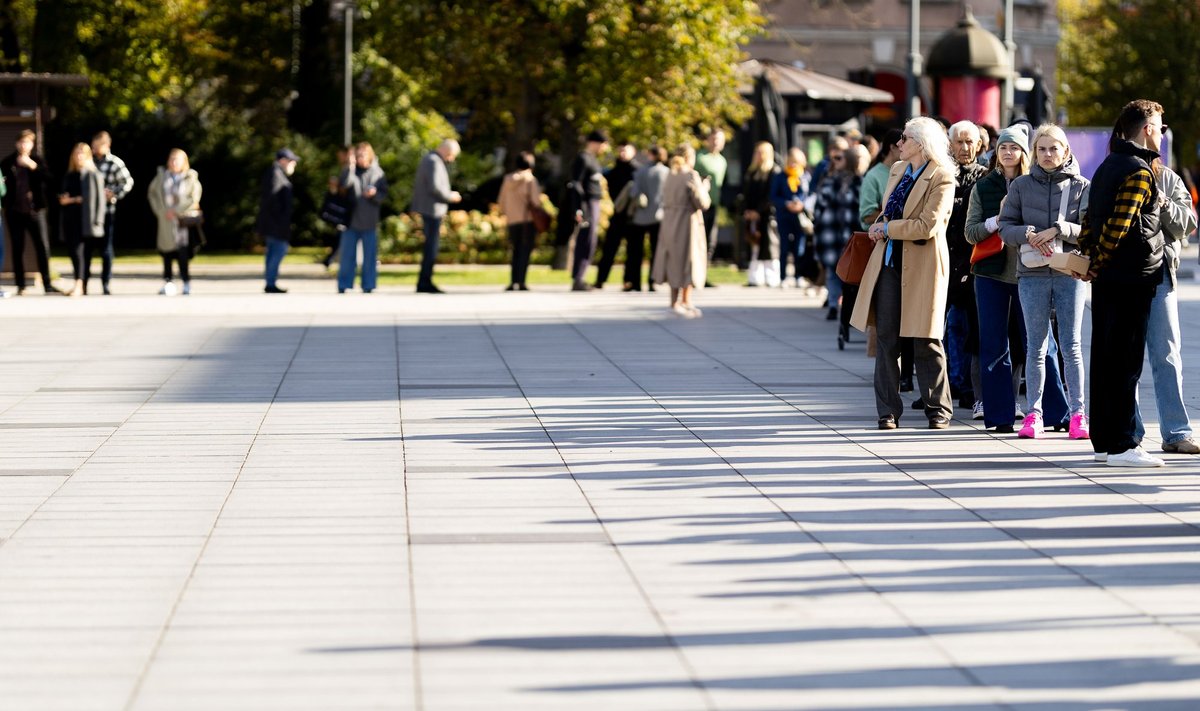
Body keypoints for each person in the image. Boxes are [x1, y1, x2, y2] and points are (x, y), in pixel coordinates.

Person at [1077, 100, 1170, 467]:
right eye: (1159, 126)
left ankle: (1104, 442)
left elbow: (1090, 220)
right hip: (1132, 274)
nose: (1161, 133)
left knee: (1105, 355)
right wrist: (1097, 262)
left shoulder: (1107, 165)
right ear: (1146, 128)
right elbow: (1120, 226)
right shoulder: (1139, 170)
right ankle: (1122, 444)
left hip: (1109, 277)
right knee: (1126, 360)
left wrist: (1089, 261)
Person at [850, 117, 955, 430]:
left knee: (926, 338)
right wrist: (879, 225)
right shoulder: (897, 170)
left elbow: (928, 225)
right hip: (889, 263)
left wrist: (887, 228)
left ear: (921, 144)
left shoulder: (942, 177)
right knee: (886, 338)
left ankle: (938, 409)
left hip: (924, 266)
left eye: (906, 138)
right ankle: (887, 411)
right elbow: (888, 211)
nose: (899, 143)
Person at [966, 125, 1069, 433]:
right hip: (990, 274)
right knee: (994, 345)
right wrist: (998, 220)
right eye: (1002, 148)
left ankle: (1057, 413)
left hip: (1032, 273)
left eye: (1015, 148)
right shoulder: (983, 187)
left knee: (1040, 344)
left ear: (1026, 152)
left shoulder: (1034, 184)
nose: (1008, 153)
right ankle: (999, 416)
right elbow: (970, 232)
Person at [999, 124, 1090, 440]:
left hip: (1070, 273)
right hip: (1032, 273)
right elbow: (1004, 227)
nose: (1048, 154)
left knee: (1071, 345)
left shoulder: (1081, 186)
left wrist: (1060, 229)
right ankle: (1033, 415)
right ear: (1034, 152)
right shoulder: (1022, 186)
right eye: (1042, 149)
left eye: (1054, 148)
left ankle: (1079, 414)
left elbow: (1090, 230)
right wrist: (1027, 234)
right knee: (1035, 346)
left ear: (1066, 151)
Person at [1133, 164, 1199, 454]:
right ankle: (1130, 434)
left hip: (1161, 274)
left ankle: (1176, 433)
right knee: (1127, 357)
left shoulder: (1168, 178)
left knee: (1167, 355)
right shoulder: (1116, 172)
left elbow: (1187, 223)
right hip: (1123, 276)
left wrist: (1163, 202)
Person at [944, 121, 989, 410]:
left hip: (973, 263)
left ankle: (968, 388)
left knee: (969, 328)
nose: (964, 148)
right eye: (959, 142)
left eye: (969, 142)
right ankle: (947, 385)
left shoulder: (984, 178)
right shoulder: (942, 175)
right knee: (948, 327)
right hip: (944, 261)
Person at [652, 144, 711, 317]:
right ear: (689, 158)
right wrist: (704, 187)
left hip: (669, 222)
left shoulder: (670, 174)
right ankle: (686, 300)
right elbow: (702, 203)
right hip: (687, 222)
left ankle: (673, 301)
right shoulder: (690, 175)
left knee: (673, 260)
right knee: (688, 260)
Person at [814, 144, 865, 329]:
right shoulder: (850, 182)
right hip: (837, 232)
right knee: (837, 272)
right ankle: (836, 305)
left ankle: (840, 306)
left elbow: (819, 208)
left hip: (842, 233)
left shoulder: (856, 181)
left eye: (839, 158)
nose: (835, 162)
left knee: (841, 272)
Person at [1, 130, 56, 294]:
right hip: (14, 211)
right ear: (17, 143)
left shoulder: (38, 160)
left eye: (27, 142)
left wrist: (32, 166)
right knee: (18, 248)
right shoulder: (8, 162)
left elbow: (50, 180)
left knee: (42, 246)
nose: (24, 145)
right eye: (21, 142)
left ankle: (47, 283)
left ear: (32, 144)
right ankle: (21, 285)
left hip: (35, 210)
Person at [147, 148, 202, 296]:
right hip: (166, 220)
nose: (173, 162)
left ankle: (186, 282)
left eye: (177, 159)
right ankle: (168, 281)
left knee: (183, 252)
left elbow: (194, 198)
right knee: (167, 251)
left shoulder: (190, 177)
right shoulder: (162, 176)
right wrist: (161, 211)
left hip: (182, 221)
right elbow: (152, 194)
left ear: (184, 162)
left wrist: (176, 210)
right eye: (171, 159)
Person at [340, 141, 390, 294]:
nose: (360, 158)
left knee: (369, 257)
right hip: (350, 221)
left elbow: (383, 194)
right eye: (357, 155)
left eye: (363, 155)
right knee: (348, 256)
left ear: (370, 156)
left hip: (369, 221)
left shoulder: (378, 173)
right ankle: (344, 284)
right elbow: (344, 184)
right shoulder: (350, 170)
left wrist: (375, 195)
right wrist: (350, 167)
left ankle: (368, 285)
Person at [58, 143, 105, 297]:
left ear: (87, 156)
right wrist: (66, 199)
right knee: (74, 252)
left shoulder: (93, 174)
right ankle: (80, 284)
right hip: (70, 219)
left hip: (86, 220)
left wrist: (98, 221)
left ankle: (80, 284)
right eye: (76, 153)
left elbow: (99, 200)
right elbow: (65, 194)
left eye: (82, 153)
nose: (78, 156)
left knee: (83, 253)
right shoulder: (69, 175)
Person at [89, 132, 134, 295]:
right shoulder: (89, 161)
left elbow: (128, 182)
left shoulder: (115, 162)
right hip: (89, 212)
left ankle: (105, 283)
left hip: (107, 211)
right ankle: (84, 282)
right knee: (87, 248)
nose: (94, 149)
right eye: (93, 146)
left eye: (97, 146)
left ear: (106, 145)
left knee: (106, 249)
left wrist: (113, 194)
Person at [593, 141, 638, 289]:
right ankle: (601, 279)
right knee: (609, 248)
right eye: (621, 151)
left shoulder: (637, 171)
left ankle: (629, 281)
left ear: (633, 152)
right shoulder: (613, 171)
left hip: (632, 215)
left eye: (626, 151)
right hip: (617, 214)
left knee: (632, 251)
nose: (623, 154)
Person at [496, 151, 542, 291]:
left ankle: (513, 281)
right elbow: (536, 202)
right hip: (527, 220)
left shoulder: (507, 179)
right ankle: (521, 281)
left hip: (512, 220)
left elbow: (501, 201)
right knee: (525, 251)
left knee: (515, 251)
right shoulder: (530, 180)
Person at [625, 146, 670, 292]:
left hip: (640, 216)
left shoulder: (641, 171)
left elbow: (634, 192)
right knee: (655, 251)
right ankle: (653, 281)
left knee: (635, 252)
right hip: (659, 216)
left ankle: (635, 282)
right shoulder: (666, 172)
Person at [568, 130, 608, 291]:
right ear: (594, 143)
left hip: (594, 202)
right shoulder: (583, 159)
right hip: (587, 203)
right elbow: (575, 184)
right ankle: (578, 278)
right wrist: (579, 208)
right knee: (586, 240)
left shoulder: (593, 160)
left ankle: (581, 276)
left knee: (591, 241)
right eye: (603, 144)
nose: (604, 148)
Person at [258, 148, 298, 294]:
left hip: (274, 223)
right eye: (292, 161)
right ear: (283, 161)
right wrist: (280, 221)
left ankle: (270, 282)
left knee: (274, 251)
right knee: (279, 250)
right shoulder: (275, 174)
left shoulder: (276, 173)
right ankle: (270, 282)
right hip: (275, 224)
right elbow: (272, 200)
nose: (294, 164)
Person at [771, 147, 812, 288]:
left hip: (800, 218)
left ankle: (798, 276)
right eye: (791, 161)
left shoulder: (805, 177)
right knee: (784, 247)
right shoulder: (780, 176)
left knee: (799, 248)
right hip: (784, 216)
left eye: (796, 161)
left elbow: (809, 195)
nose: (793, 164)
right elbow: (774, 196)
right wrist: (787, 203)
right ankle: (783, 277)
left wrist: (802, 204)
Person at [740, 141, 780, 287]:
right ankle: (755, 277)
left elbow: (771, 196)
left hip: (767, 216)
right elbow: (746, 194)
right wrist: (747, 211)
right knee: (754, 245)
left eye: (761, 152)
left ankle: (772, 278)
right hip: (752, 216)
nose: (758, 155)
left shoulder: (773, 172)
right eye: (757, 152)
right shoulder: (751, 172)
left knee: (769, 248)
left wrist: (758, 211)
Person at [696, 128, 728, 286]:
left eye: (719, 139)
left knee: (710, 241)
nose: (716, 142)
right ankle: (693, 274)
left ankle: (703, 275)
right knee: (698, 240)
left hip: (714, 205)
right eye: (713, 139)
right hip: (699, 206)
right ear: (708, 140)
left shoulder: (722, 161)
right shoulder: (699, 157)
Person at [321, 145, 354, 270]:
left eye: (340, 155)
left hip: (348, 211)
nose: (339, 158)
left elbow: (346, 189)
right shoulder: (344, 169)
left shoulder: (350, 169)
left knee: (343, 236)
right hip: (344, 212)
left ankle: (331, 259)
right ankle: (330, 258)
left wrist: (337, 186)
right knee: (340, 237)